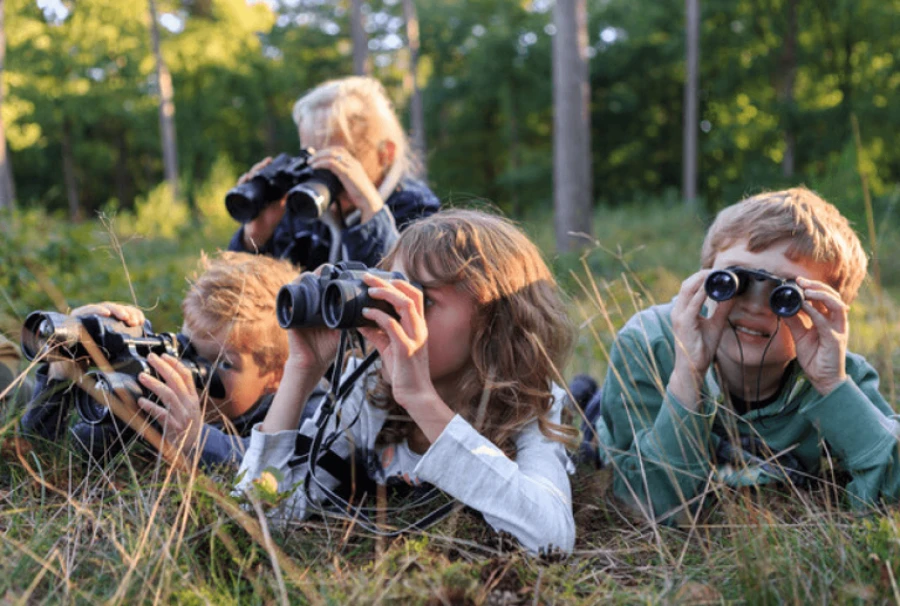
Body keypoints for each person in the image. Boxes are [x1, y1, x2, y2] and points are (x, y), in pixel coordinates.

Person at [234, 210, 578, 554]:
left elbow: (550, 541)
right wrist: (301, 370)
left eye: (421, 300)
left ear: (493, 324)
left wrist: (421, 399)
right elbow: (260, 513)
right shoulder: (368, 390)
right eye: (390, 292)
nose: (397, 314)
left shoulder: (535, 406)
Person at [590, 187, 900, 523]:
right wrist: (687, 374)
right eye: (735, 281)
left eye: (787, 294)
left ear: (828, 310)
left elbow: (893, 496)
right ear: (705, 275)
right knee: (592, 431)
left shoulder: (843, 375)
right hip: (638, 409)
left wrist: (832, 385)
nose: (754, 306)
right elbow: (648, 506)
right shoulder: (651, 345)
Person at [19, 251, 298, 470]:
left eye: (224, 364)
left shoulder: (300, 410)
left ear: (279, 375)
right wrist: (62, 374)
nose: (192, 373)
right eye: (186, 348)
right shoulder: (160, 402)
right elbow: (46, 457)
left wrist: (197, 441)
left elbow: (275, 474)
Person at [228, 76, 440, 270]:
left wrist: (371, 213)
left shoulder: (420, 212)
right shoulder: (301, 206)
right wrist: (255, 239)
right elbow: (238, 302)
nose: (323, 170)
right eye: (312, 156)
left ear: (385, 154)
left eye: (339, 158)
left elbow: (404, 295)